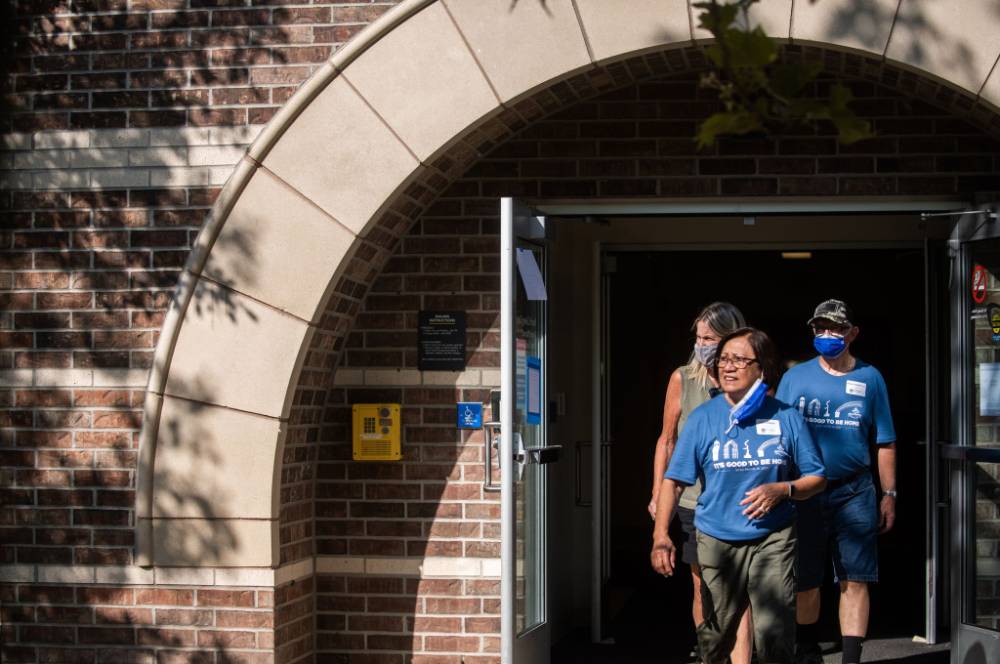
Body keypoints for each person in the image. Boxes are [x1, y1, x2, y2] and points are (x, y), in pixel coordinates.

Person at [651, 327, 827, 664]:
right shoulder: (703, 418)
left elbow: (817, 478)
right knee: (719, 630)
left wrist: (784, 489)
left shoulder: (786, 417)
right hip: (717, 536)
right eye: (723, 360)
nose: (728, 366)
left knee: (774, 629)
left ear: (762, 368)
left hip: (773, 536)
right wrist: (661, 536)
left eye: (739, 360)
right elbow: (674, 481)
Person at [775, 300, 897, 664]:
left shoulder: (871, 378)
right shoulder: (794, 378)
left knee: (855, 578)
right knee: (806, 580)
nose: (827, 335)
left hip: (854, 490)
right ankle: (807, 650)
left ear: (853, 333)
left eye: (836, 328)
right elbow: (777, 438)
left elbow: (885, 441)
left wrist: (889, 494)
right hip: (805, 492)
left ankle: (850, 659)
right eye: (820, 328)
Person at [648, 302, 754, 663]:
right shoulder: (684, 378)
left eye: (709, 338)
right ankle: (713, 655)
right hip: (693, 499)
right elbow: (667, 440)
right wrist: (658, 492)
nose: (701, 345)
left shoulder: (750, 382)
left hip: (738, 499)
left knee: (740, 590)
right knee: (702, 586)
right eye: (698, 337)